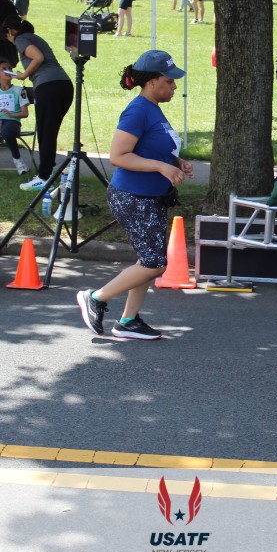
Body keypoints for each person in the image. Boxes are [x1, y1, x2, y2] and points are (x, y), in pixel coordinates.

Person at [76, 50, 192, 340]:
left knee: (147, 261)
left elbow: (151, 148)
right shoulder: (138, 110)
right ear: (152, 82)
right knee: (155, 263)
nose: (174, 86)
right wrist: (161, 167)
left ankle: (128, 321)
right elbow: (118, 156)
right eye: (169, 81)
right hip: (132, 196)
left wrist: (176, 162)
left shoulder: (153, 108)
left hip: (149, 197)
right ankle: (96, 298)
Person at [0, 16, 74, 191]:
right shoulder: (34, 37)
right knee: (49, 132)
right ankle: (47, 172)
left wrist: (23, 75)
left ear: (10, 31)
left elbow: (38, 57)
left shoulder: (21, 39)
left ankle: (44, 177)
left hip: (48, 86)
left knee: (45, 132)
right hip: (64, 85)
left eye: (6, 36)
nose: (9, 40)